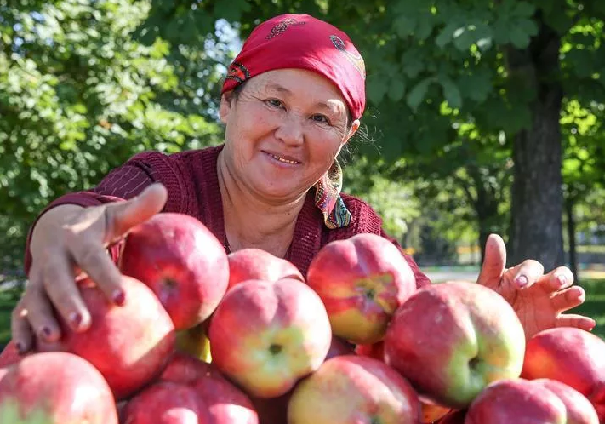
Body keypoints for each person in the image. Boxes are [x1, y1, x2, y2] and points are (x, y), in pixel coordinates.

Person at [9, 13, 594, 356]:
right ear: (228, 103)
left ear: (346, 135)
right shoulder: (166, 189)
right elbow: (96, 214)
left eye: (321, 118)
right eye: (273, 102)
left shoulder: (354, 233)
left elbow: (417, 345)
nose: (292, 134)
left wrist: (492, 332)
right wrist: (60, 228)